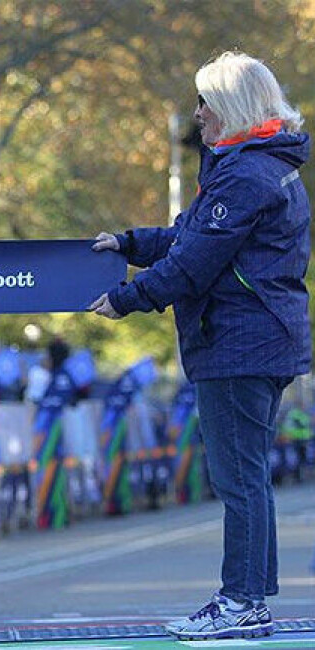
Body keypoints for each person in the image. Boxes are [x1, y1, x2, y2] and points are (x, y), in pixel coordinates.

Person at [90, 51, 310, 641]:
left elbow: (193, 264)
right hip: (259, 341)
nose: (198, 114)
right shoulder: (257, 166)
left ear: (232, 106)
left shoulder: (244, 174)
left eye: (206, 102)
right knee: (249, 478)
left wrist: (128, 297)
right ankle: (251, 599)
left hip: (240, 344)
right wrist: (130, 243)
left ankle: (239, 601)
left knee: (238, 480)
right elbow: (191, 234)